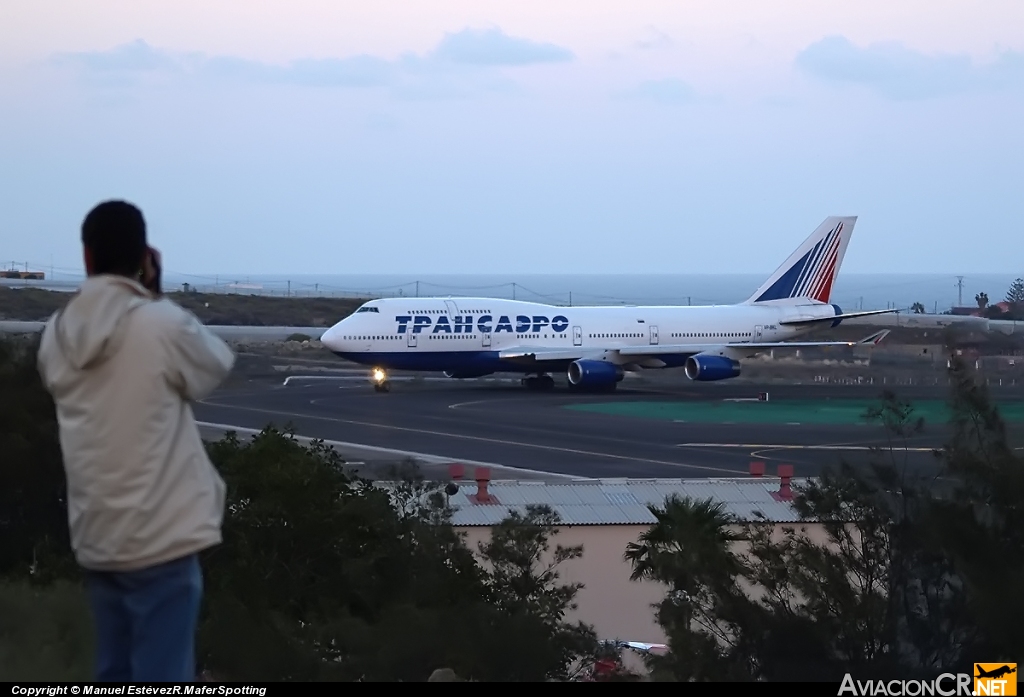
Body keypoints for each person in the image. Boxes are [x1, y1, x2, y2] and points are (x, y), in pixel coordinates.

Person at [36, 200, 236, 681]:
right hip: (160, 539)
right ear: (146, 256)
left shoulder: (56, 335)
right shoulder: (159, 324)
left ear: (86, 258)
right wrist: (155, 296)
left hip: (97, 537)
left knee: (114, 667)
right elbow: (214, 366)